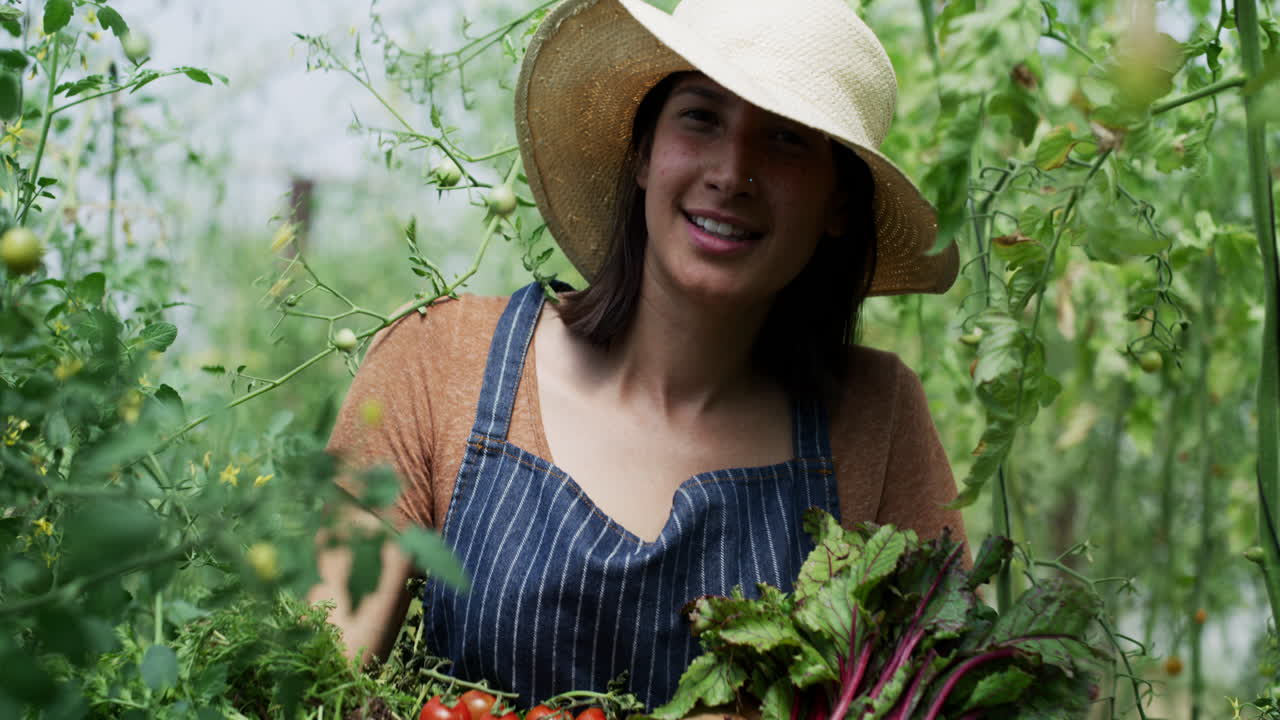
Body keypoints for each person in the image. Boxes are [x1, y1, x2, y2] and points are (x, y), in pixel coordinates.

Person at [309, 0, 965, 710]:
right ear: (643, 150)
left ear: (838, 204)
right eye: (701, 117)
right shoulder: (440, 362)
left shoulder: (878, 422)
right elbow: (312, 676)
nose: (733, 171)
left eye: (786, 139)